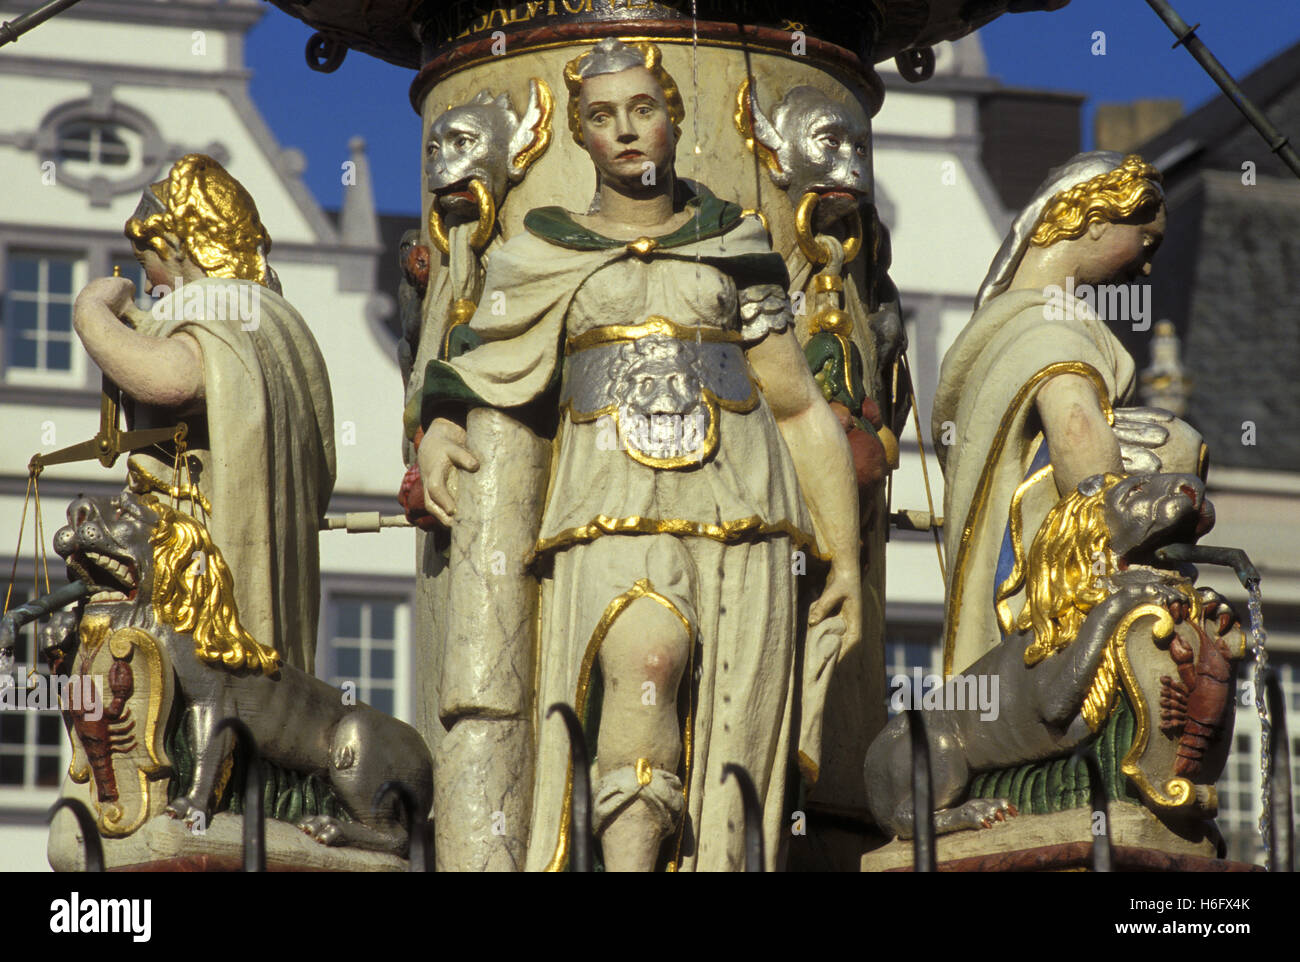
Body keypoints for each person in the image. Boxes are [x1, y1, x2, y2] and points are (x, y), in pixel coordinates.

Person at [410, 39, 861, 871]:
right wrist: (439, 424)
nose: (624, 132)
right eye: (601, 117)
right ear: (577, 136)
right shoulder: (542, 250)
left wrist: (846, 557)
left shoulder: (739, 242)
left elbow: (796, 406)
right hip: (605, 510)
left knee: (732, 708)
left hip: (744, 512)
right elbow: (481, 365)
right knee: (646, 659)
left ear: (674, 120)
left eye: (642, 110)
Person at [933, 151, 1204, 677]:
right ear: (1095, 220)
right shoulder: (1050, 328)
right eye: (1146, 241)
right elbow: (1078, 429)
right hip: (1056, 605)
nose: (1146, 266)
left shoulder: (997, 330)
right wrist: (1116, 554)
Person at [72, 154, 335, 674]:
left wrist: (91, 313)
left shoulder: (221, 304)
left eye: (145, 262)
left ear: (175, 246)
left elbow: (174, 379)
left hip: (207, 588)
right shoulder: (280, 321)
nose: (149, 285)